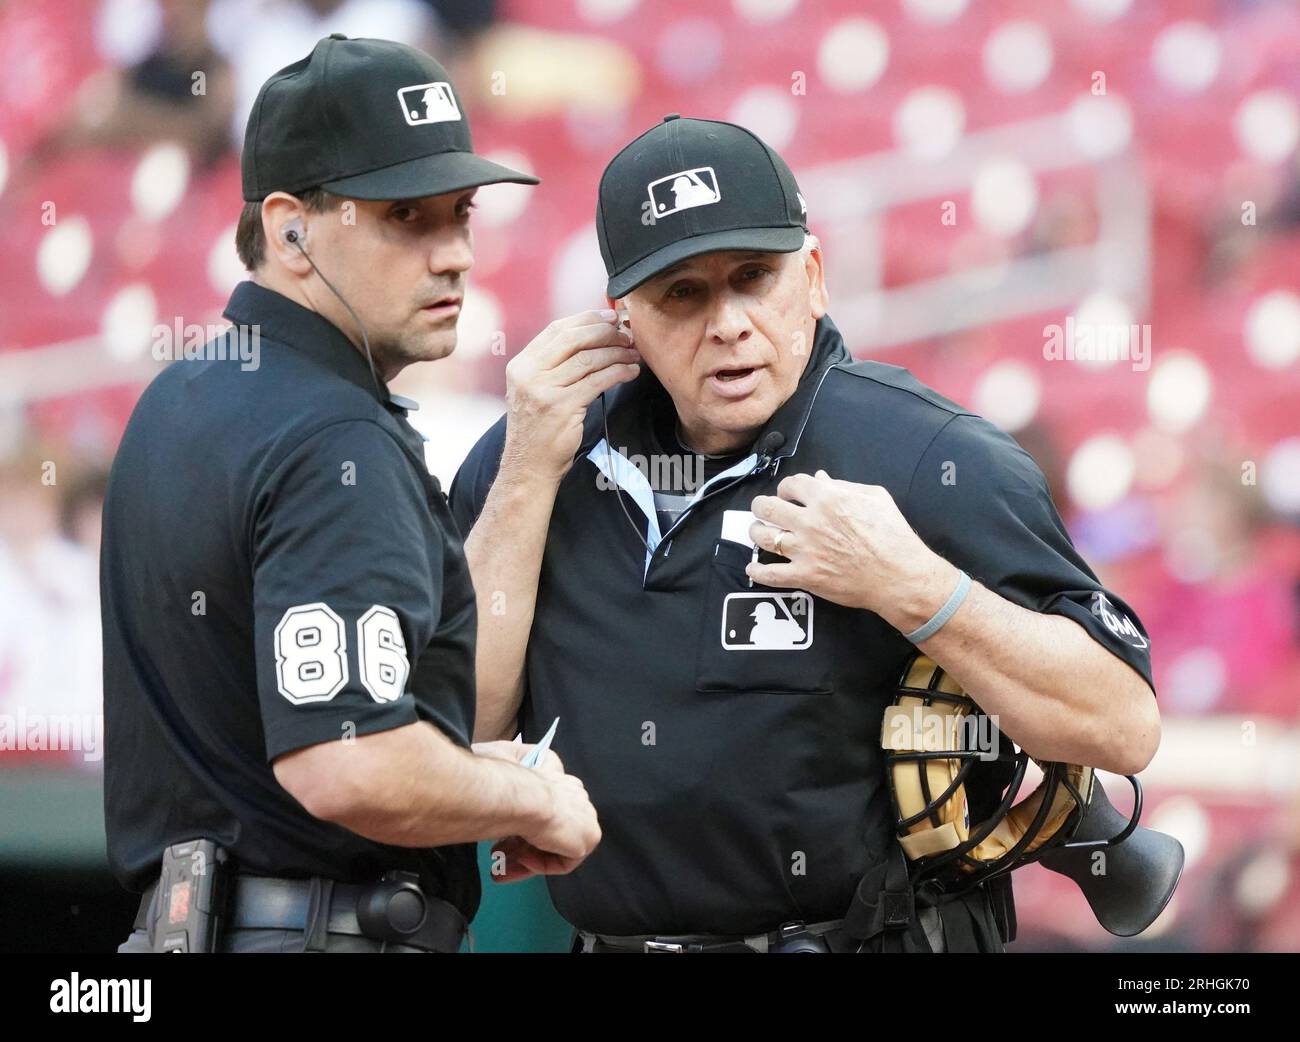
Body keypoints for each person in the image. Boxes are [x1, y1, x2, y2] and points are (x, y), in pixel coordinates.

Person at [450, 115, 1161, 953]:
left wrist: (918, 590)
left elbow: (1123, 727)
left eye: (754, 276)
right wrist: (528, 470)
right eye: (682, 292)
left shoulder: (927, 456)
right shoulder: (538, 455)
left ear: (814, 276)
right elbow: (467, 725)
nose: (728, 323)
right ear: (623, 317)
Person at [103, 35, 600, 954]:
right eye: (407, 215)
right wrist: (532, 793)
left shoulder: (180, 397)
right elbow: (348, 765)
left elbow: (314, 733)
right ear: (291, 228)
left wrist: (461, 771)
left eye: (462, 213)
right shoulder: (335, 438)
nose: (453, 253)